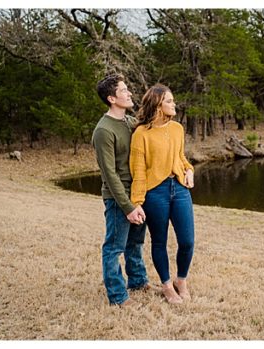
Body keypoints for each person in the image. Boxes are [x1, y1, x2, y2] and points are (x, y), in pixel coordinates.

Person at [127, 84, 196, 304]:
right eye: (169, 101)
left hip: (179, 189)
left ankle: (181, 280)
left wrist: (190, 171)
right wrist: (136, 202)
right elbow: (137, 171)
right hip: (155, 192)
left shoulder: (177, 129)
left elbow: (181, 158)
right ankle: (167, 286)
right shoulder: (141, 134)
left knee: (187, 241)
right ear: (157, 104)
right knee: (159, 241)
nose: (173, 104)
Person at [92, 73, 150, 307]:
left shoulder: (129, 122)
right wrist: (127, 206)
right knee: (114, 247)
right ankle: (117, 296)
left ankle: (137, 281)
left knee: (135, 243)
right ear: (111, 98)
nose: (129, 93)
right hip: (119, 198)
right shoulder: (103, 131)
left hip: (138, 192)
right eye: (124, 90)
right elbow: (109, 173)